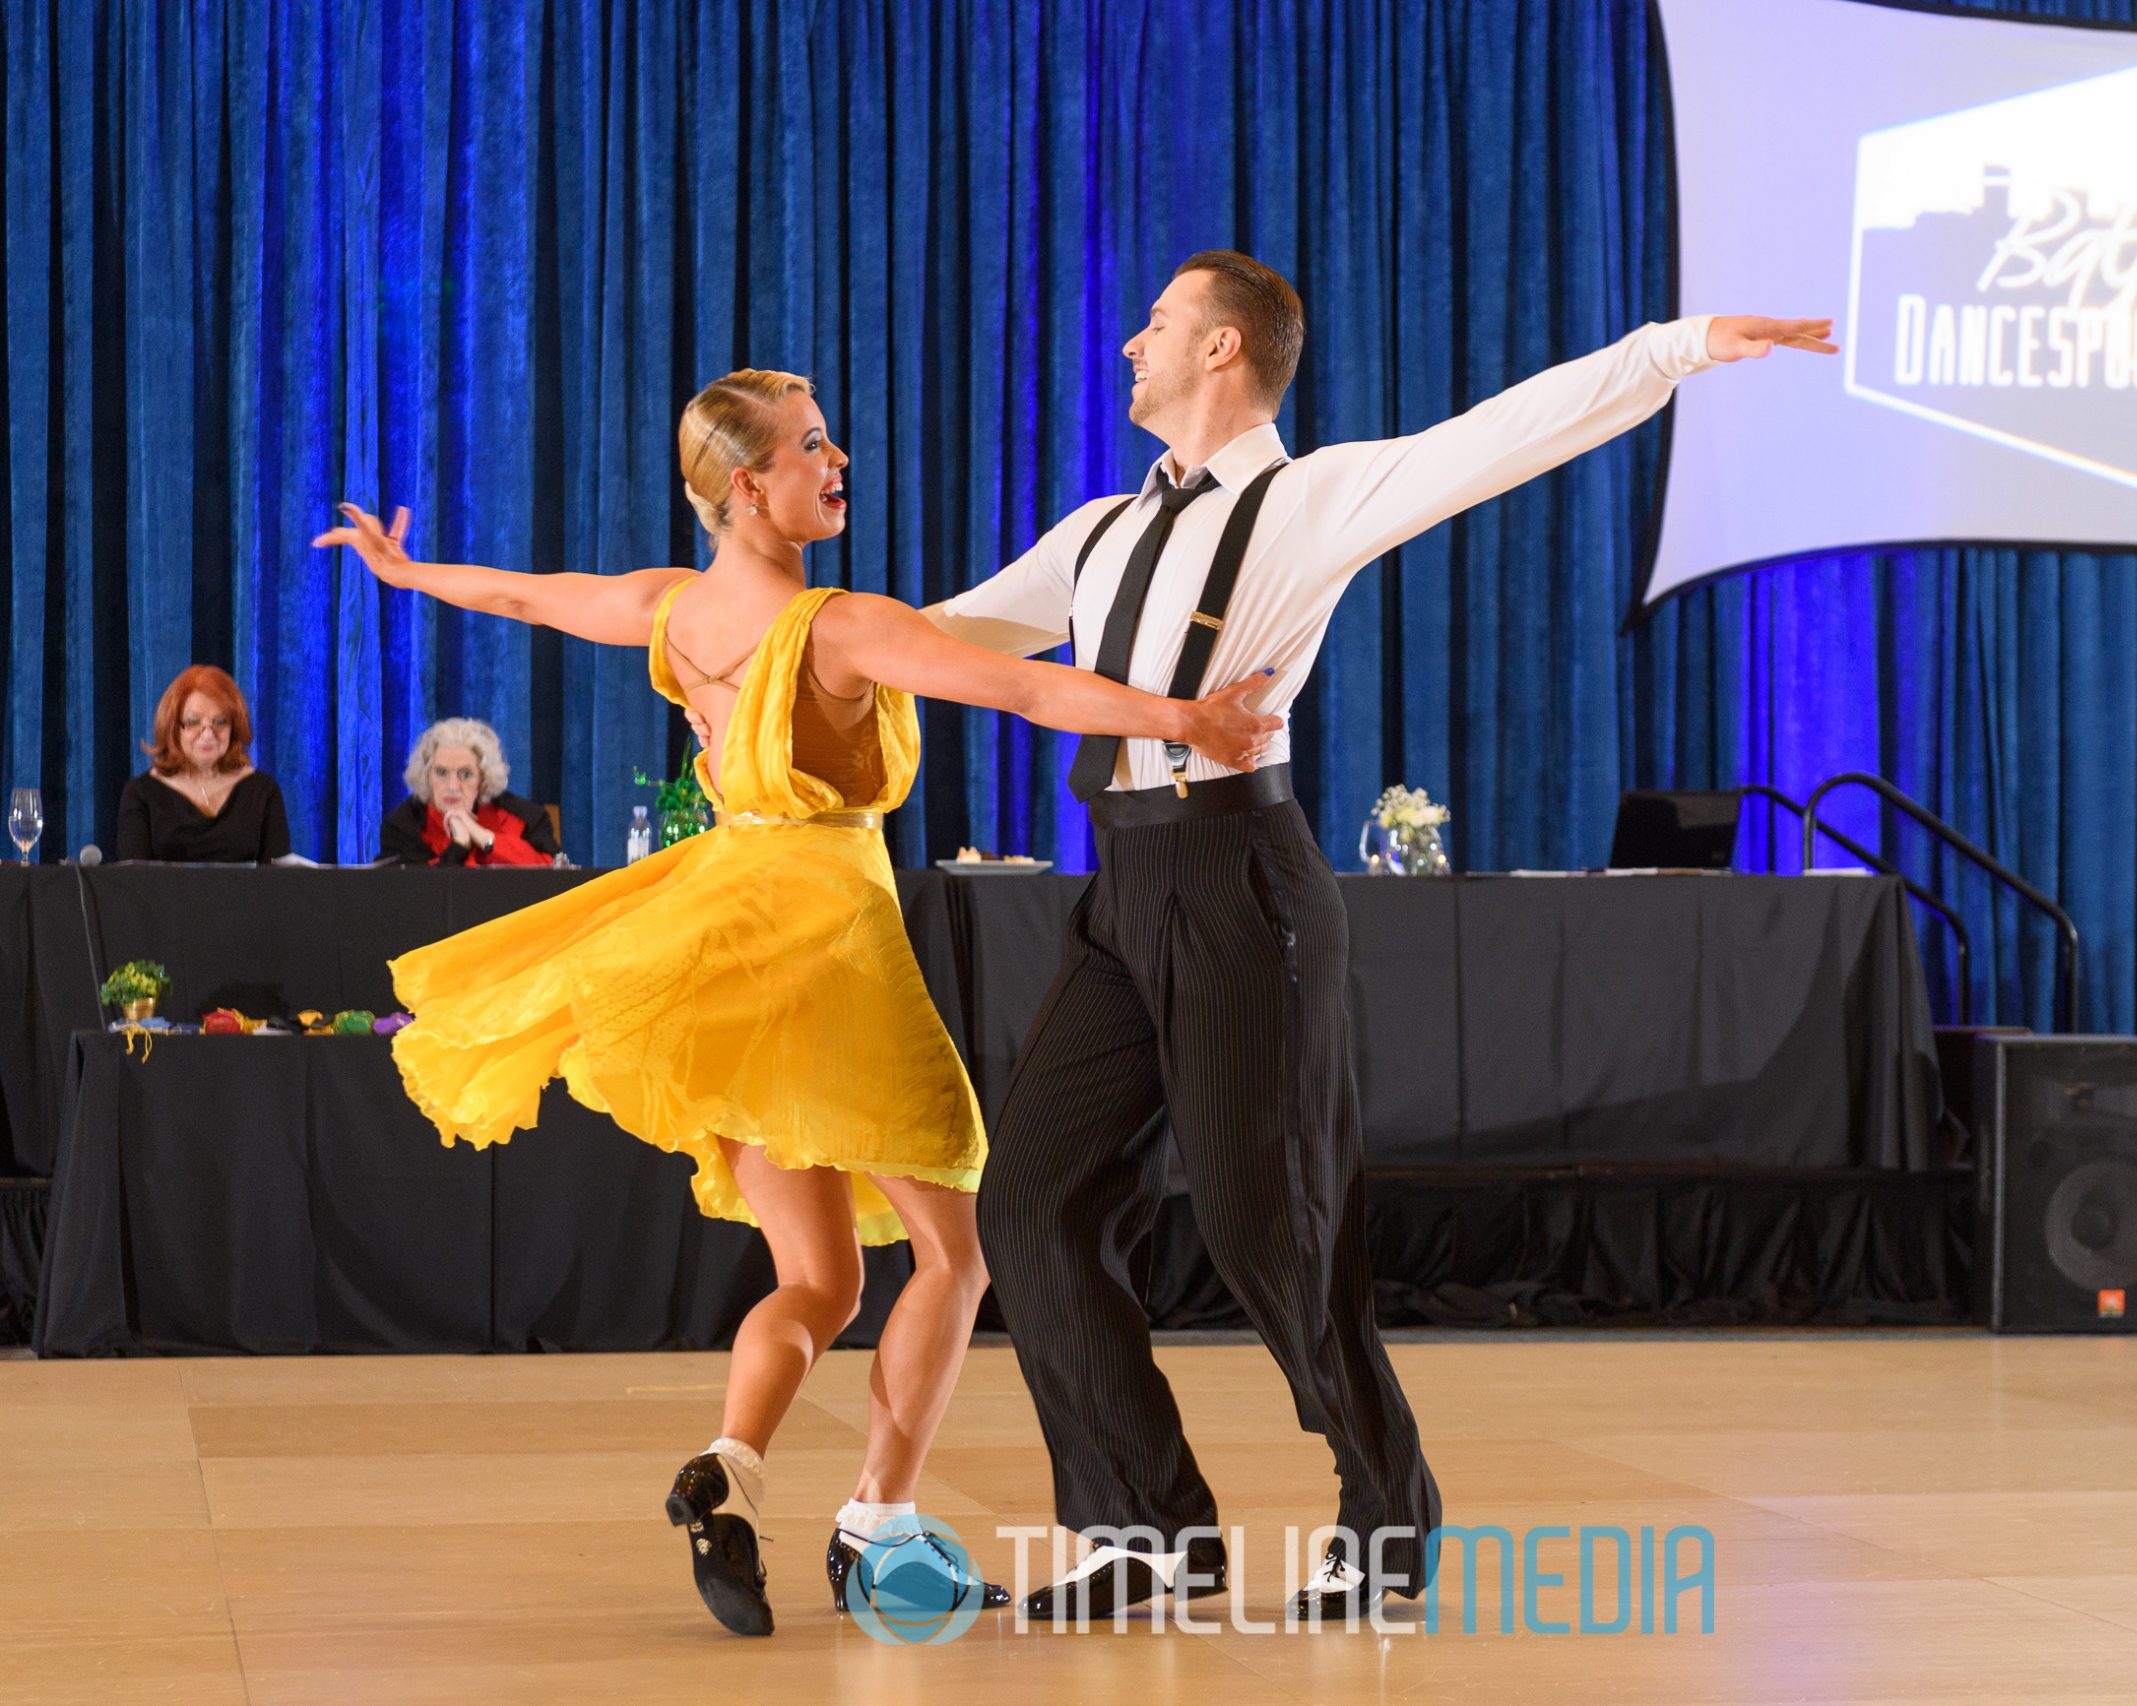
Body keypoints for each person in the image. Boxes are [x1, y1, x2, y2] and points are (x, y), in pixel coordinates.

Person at [924, 248, 1833, 1622]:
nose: (1129, 343)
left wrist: (1682, 344)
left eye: (1157, 323)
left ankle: (1385, 1513)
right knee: (1030, 1200)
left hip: (1246, 887)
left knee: (1268, 1228)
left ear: (1223, 350)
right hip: (1121, 887)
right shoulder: (1100, 530)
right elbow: (935, 641)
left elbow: (1503, 437)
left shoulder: (1312, 497)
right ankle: (1146, 1531)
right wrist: (748, 650)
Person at [312, 368, 1280, 1640]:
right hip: (825, 946)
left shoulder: (673, 609)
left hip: (723, 945)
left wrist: (407, 573)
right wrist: (1184, 719)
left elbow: (526, 598)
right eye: (810, 447)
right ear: (746, 486)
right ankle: (876, 1524)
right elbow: (1030, 691)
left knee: (817, 1276)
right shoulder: (835, 625)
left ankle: (733, 1465)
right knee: (961, 1245)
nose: (838, 460)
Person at [116, 665, 291, 863]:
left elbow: (279, 883)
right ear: (173, 727)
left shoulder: (264, 791)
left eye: (220, 722)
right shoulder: (141, 793)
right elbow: (132, 884)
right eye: (193, 722)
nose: (208, 734)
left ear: (234, 728)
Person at [380, 718, 560, 867]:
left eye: (465, 774)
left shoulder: (524, 818)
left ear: (483, 780)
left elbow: (551, 873)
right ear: (427, 776)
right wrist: (459, 846)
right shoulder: (402, 826)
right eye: (441, 772)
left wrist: (484, 837)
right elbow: (413, 896)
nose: (452, 786)